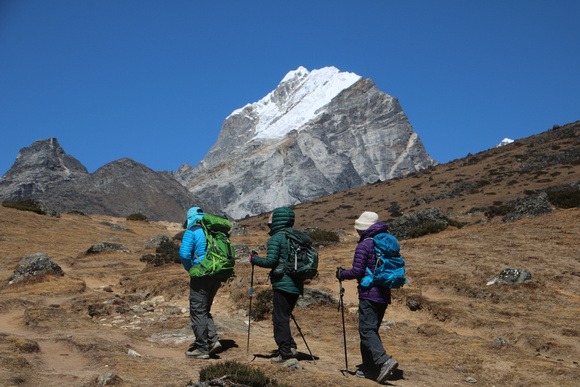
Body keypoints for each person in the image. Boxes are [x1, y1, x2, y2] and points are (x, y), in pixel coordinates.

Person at [336, 211, 399, 383]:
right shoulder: (385, 243)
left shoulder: (364, 245)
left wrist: (341, 274)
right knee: (370, 330)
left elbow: (357, 271)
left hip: (369, 293)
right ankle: (369, 368)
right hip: (384, 293)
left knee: (366, 330)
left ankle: (384, 361)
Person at [249, 207, 301, 363]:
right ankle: (290, 346)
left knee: (279, 319)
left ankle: (285, 352)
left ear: (277, 222)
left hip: (282, 283)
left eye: (270, 224)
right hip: (297, 283)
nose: (269, 227)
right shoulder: (296, 237)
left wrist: (254, 259)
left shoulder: (276, 239)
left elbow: (270, 262)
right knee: (284, 316)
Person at [179, 206, 223, 359]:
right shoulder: (213, 230)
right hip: (216, 274)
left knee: (198, 310)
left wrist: (191, 269)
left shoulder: (192, 232)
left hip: (201, 274)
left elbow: (184, 254)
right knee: (205, 309)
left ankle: (202, 348)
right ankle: (213, 340)